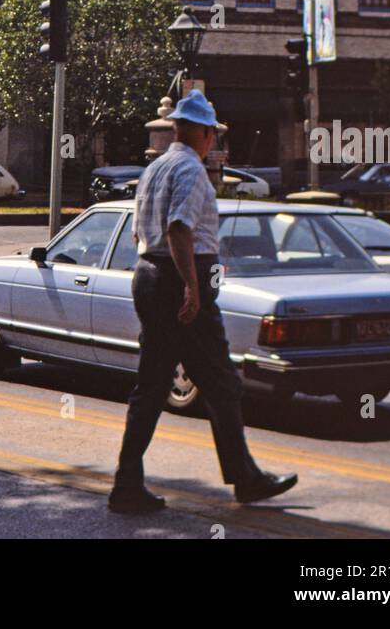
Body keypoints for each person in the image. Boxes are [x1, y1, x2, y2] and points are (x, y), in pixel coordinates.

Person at [109, 89, 298, 515]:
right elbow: (179, 229)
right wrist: (193, 288)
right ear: (200, 133)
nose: (215, 141)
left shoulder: (154, 168)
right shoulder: (191, 171)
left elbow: (139, 234)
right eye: (213, 133)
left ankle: (126, 483)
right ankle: (246, 479)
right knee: (223, 382)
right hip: (179, 281)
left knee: (153, 386)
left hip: (149, 278)